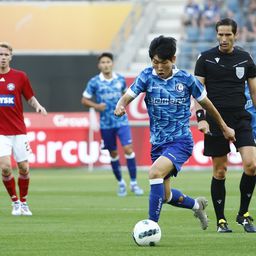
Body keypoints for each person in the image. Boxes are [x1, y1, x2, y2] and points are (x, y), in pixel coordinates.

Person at [114, 35, 235, 230]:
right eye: (155, 62)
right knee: (165, 195)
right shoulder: (146, 76)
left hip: (180, 141)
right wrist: (120, 106)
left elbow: (207, 104)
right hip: (158, 143)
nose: (159, 67)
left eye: (163, 63)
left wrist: (223, 126)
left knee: (154, 172)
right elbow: (127, 96)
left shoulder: (186, 79)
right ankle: (197, 205)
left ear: (173, 60)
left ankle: (150, 227)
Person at [194, 18, 256, 233]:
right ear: (216, 35)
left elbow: (254, 92)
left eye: (228, 34)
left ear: (235, 35)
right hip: (214, 120)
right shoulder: (205, 58)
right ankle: (221, 221)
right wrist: (201, 118)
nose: (223, 38)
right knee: (220, 171)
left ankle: (243, 214)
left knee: (252, 165)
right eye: (220, 34)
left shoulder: (245, 58)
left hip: (241, 118)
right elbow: (197, 92)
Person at [81, 52, 144, 197]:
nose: (105, 64)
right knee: (113, 153)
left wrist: (123, 106)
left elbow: (126, 96)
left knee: (128, 149)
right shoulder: (94, 82)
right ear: (99, 65)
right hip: (106, 124)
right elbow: (84, 100)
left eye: (108, 62)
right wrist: (96, 106)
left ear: (112, 63)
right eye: (102, 62)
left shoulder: (120, 79)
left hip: (121, 122)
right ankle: (121, 183)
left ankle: (134, 183)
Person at [0, 42, 47, 216]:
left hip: (18, 130)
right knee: (5, 167)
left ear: (10, 57)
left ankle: (24, 202)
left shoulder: (20, 76)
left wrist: (38, 106)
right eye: (0, 54)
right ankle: (15, 202)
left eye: (5, 55)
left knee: (24, 168)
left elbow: (30, 96)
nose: (3, 58)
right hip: (0, 133)